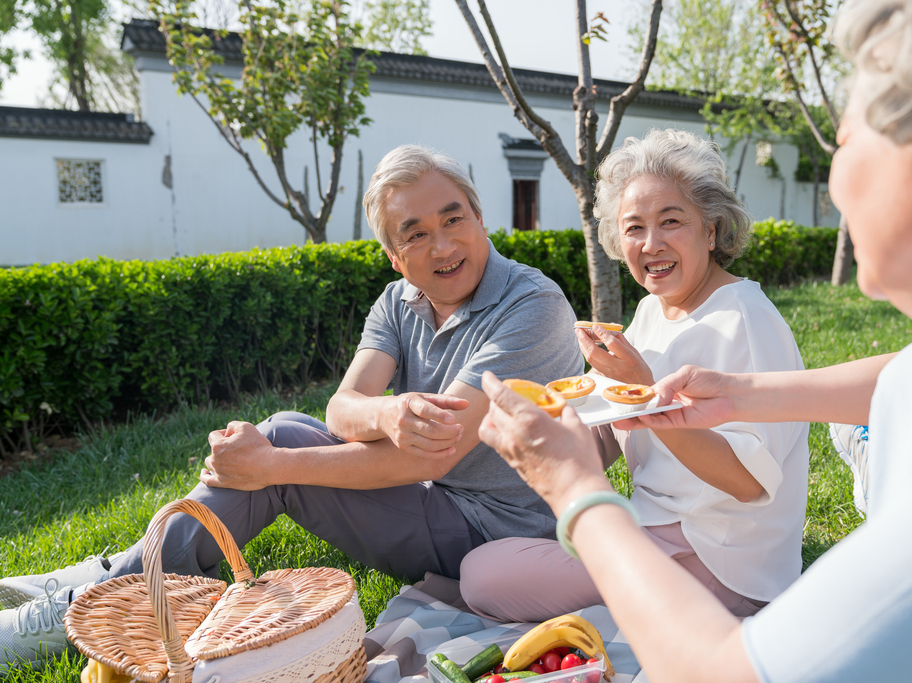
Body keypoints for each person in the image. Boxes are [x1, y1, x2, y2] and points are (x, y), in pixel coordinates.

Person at [473, 0, 912, 680]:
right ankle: (861, 446)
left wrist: (574, 488)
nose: (836, 184)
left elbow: (721, 669)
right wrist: (734, 393)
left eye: (846, 141)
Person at [0, 145, 583, 671]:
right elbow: (341, 407)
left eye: (454, 218)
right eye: (415, 234)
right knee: (285, 430)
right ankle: (117, 577)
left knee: (279, 451)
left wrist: (272, 468)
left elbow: (428, 458)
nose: (443, 244)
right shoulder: (399, 300)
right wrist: (385, 413)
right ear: (393, 257)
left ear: (480, 217)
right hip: (437, 504)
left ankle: (98, 598)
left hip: (499, 534)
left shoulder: (530, 305)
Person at [460, 129, 810, 623]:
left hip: (721, 558)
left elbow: (749, 483)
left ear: (711, 230)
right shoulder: (651, 311)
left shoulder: (744, 316)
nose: (652, 244)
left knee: (482, 575)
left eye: (672, 221)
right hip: (652, 528)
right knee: (496, 551)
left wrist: (647, 392)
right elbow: (613, 435)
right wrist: (551, 417)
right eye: (634, 228)